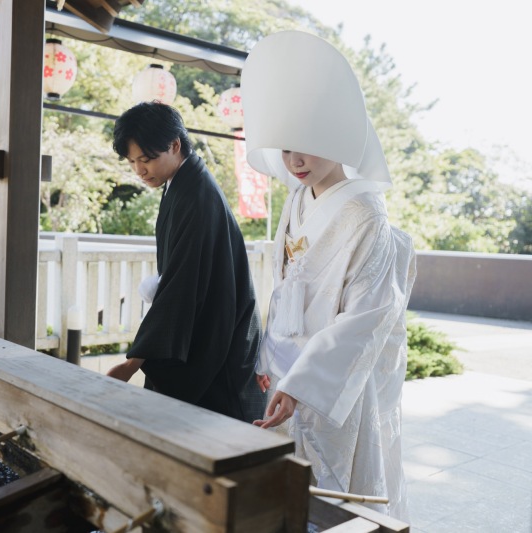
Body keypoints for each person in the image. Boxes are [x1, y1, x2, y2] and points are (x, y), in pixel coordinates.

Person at [240, 30, 417, 522]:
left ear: (338, 137)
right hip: (287, 371)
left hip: (329, 380)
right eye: (285, 149)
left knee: (335, 498)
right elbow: (284, 286)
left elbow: (367, 317)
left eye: (307, 147)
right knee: (286, 490)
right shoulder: (298, 197)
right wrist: (269, 355)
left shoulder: (365, 214)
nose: (294, 162)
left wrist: (303, 382)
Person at [106, 101, 267, 423]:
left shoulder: (197, 196)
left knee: (214, 435)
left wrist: (133, 363)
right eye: (132, 161)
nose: (139, 170)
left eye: (146, 159)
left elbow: (181, 289)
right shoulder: (183, 184)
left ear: (175, 145)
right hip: (208, 327)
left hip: (220, 339)